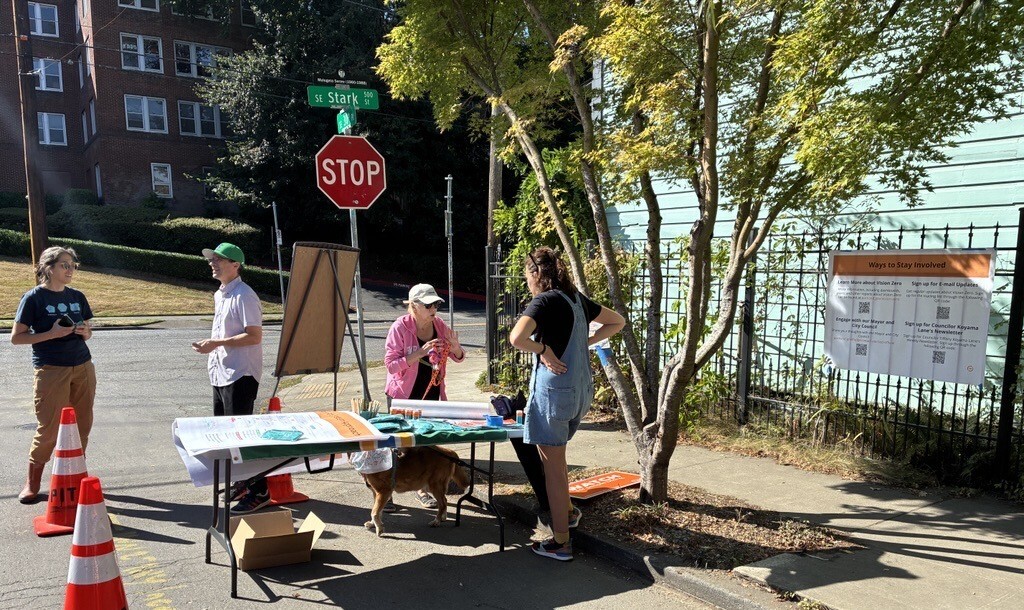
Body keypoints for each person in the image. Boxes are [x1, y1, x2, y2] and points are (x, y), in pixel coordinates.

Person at [510, 246, 625, 561]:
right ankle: (569, 512)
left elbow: (517, 338)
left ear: (536, 275)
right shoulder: (576, 299)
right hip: (579, 395)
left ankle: (561, 542)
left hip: (554, 396)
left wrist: (543, 349)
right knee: (557, 464)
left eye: (527, 277)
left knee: (555, 472)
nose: (528, 284)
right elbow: (617, 322)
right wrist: (584, 342)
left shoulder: (544, 301)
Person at [11, 246, 96, 504]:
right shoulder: (34, 298)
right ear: (49, 268)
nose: (70, 270)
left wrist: (84, 331)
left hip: (82, 366)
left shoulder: (77, 296)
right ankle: (32, 483)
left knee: (83, 425)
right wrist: (52, 334)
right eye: (64, 265)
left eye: (72, 265)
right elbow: (17, 338)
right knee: (49, 428)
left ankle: (76, 476)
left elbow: (89, 330)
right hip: (51, 369)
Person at [191, 243, 267, 514]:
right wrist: (213, 347)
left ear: (236, 265)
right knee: (225, 436)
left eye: (219, 260)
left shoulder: (245, 295)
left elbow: (254, 335)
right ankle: (242, 482)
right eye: (211, 259)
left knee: (242, 437)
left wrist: (216, 343)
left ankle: (260, 490)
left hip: (241, 374)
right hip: (221, 372)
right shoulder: (221, 294)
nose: (213, 263)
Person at [384, 283, 465, 508]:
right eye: (428, 304)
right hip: (403, 395)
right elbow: (390, 365)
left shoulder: (439, 325)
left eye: (436, 304)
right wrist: (418, 353)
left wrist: (456, 347)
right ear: (414, 306)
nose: (433, 309)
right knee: (399, 443)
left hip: (431, 392)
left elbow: (458, 357)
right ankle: (387, 488)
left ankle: (423, 488)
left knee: (425, 443)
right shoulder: (400, 327)